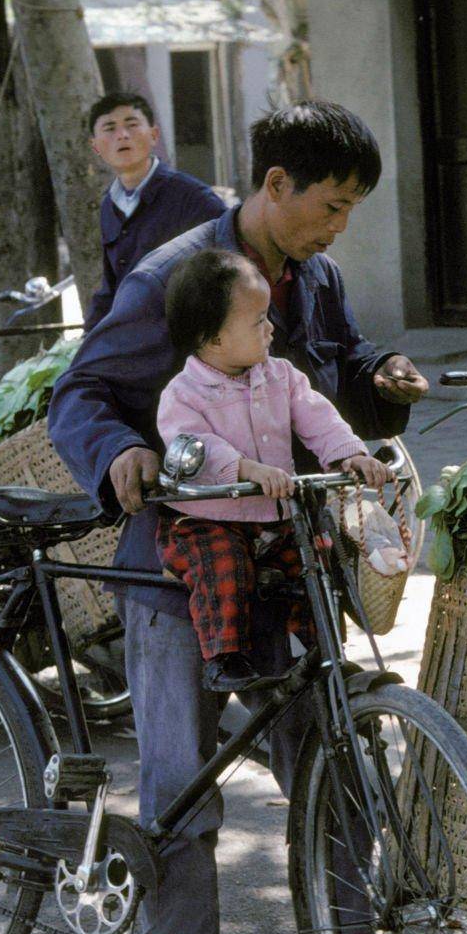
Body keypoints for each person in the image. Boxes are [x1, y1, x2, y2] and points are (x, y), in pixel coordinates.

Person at [48, 100, 434, 934]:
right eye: (332, 205)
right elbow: (80, 394)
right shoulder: (172, 279)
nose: (339, 226)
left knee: (335, 753)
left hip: (287, 553)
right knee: (183, 782)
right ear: (276, 187)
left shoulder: (313, 277)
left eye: (350, 210)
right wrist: (119, 459)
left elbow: (331, 371)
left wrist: (381, 375)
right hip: (178, 565)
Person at [155, 249, 393, 692]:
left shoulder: (281, 376)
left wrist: (349, 456)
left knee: (316, 558)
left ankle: (324, 647)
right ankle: (224, 656)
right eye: (258, 321)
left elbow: (317, 417)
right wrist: (245, 468)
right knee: (222, 566)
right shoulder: (184, 393)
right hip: (208, 519)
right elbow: (192, 444)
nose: (270, 329)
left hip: (276, 518)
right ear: (213, 339)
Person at [82, 92, 227, 331]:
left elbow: (227, 274)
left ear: (154, 135)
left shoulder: (193, 198)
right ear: (95, 146)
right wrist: (88, 341)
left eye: (132, 124)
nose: (122, 135)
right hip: (130, 339)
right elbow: (110, 288)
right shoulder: (110, 204)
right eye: (109, 128)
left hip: (181, 340)